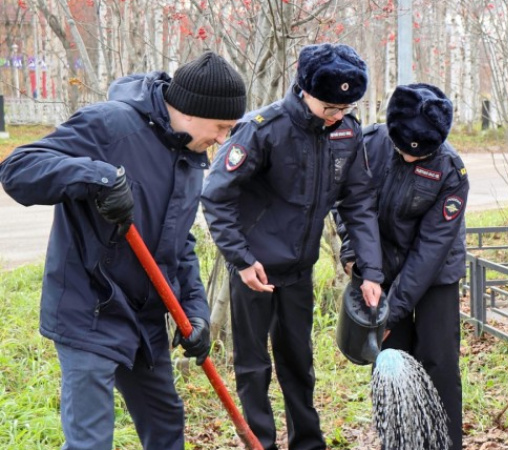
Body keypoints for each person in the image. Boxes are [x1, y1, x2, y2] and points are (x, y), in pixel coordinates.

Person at [0, 52, 247, 449]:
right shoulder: (110, 124)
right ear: (190, 110)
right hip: (90, 308)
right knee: (91, 440)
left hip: (143, 319)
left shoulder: (189, 157)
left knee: (165, 425)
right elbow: (18, 169)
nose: (222, 139)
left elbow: (179, 244)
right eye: (221, 127)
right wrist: (97, 177)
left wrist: (196, 313)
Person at [200, 43, 384, 450]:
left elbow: (357, 202)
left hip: (299, 270)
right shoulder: (263, 129)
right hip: (254, 270)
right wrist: (241, 260)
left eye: (346, 108)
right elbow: (216, 196)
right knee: (253, 366)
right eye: (330, 107)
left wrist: (371, 270)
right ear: (305, 91)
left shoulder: (346, 133)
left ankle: (307, 442)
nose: (337, 115)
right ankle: (260, 442)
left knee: (299, 362)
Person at [338, 83, 469, 449]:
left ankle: (443, 444)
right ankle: (397, 442)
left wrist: (390, 313)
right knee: (390, 360)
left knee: (438, 360)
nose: (410, 159)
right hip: (377, 262)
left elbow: (430, 251)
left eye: (420, 154)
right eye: (403, 150)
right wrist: (353, 253)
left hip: (435, 272)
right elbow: (346, 202)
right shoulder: (367, 144)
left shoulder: (451, 171)